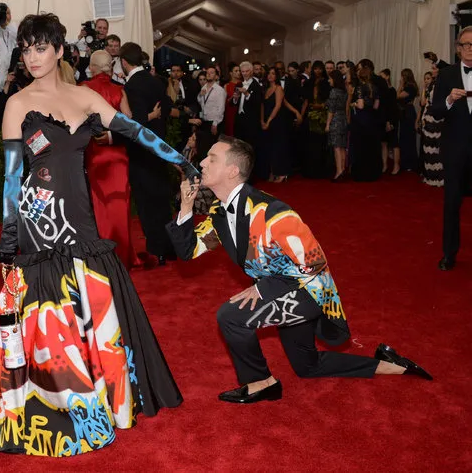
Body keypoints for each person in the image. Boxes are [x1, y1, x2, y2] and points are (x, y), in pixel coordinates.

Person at [0, 13, 201, 458]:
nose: (32, 57)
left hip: (80, 218)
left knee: (94, 304)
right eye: (25, 49)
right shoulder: (16, 104)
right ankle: (60, 402)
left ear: (60, 50)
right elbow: (11, 180)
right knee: (50, 315)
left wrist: (181, 160)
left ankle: (103, 396)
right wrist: (8, 240)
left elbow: (135, 132)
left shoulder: (85, 97)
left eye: (41, 47)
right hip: (39, 220)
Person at [166, 135, 432, 403]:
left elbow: (314, 263)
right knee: (308, 366)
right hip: (283, 287)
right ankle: (390, 364)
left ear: (232, 170)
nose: (201, 162)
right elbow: (189, 250)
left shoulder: (273, 212)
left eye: (211, 158)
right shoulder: (220, 214)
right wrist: (187, 206)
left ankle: (262, 383)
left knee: (231, 316)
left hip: (309, 291)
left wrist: (262, 288)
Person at [82, 50, 139, 269]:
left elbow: (78, 121)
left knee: (100, 207)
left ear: (92, 67)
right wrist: (112, 136)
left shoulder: (84, 89)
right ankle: (123, 255)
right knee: (120, 205)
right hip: (118, 155)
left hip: (97, 155)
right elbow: (130, 125)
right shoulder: (120, 90)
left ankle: (105, 258)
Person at [120, 41, 176, 266]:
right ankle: (169, 247)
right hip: (159, 148)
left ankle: (157, 250)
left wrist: (147, 118)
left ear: (124, 62)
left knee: (147, 202)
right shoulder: (155, 81)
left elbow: (137, 124)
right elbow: (166, 111)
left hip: (141, 153)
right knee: (161, 200)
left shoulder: (132, 86)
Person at [431, 26, 472, 271]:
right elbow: (435, 112)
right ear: (458, 48)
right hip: (455, 150)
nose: (469, 49)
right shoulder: (446, 75)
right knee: (451, 204)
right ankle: (449, 254)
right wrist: (448, 99)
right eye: (465, 44)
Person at [261, 66, 289, 182]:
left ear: (276, 76)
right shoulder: (265, 89)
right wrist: (262, 120)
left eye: (273, 73)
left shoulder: (278, 89)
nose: (270, 76)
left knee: (278, 147)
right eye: (269, 73)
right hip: (267, 121)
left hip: (277, 121)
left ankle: (281, 173)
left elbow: (278, 106)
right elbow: (262, 105)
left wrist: (268, 121)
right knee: (269, 148)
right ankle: (272, 171)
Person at [420, 62, 445, 187]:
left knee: (437, 149)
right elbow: (425, 103)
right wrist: (423, 117)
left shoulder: (442, 84)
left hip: (438, 120)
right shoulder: (431, 85)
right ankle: (430, 175)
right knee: (428, 149)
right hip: (428, 119)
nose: (432, 70)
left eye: (434, 69)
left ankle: (439, 177)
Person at [326, 69, 348, 181]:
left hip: (335, 120)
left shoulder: (334, 92)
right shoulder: (344, 91)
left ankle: (339, 171)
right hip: (343, 119)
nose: (329, 80)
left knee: (336, 147)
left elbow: (331, 109)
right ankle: (343, 169)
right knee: (342, 146)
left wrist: (327, 124)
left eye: (330, 78)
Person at [379, 68, 401, 175]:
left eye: (382, 76)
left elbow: (392, 108)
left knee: (394, 143)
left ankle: (396, 165)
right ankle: (384, 165)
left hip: (391, 119)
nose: (380, 78)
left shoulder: (391, 90)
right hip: (383, 119)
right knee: (383, 143)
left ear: (387, 76)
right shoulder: (381, 90)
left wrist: (389, 122)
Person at [397, 69, 419, 172]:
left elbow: (397, 96)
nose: (401, 78)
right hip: (406, 112)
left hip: (408, 112)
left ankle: (410, 163)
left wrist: (400, 85)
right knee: (404, 137)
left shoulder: (410, 87)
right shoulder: (410, 86)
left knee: (408, 138)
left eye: (402, 76)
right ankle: (406, 162)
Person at [224, 63, 241, 136]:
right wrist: (232, 98)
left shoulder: (243, 84)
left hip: (240, 111)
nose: (238, 73)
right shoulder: (227, 86)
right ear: (231, 73)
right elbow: (224, 102)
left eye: (239, 71)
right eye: (236, 71)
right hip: (230, 112)